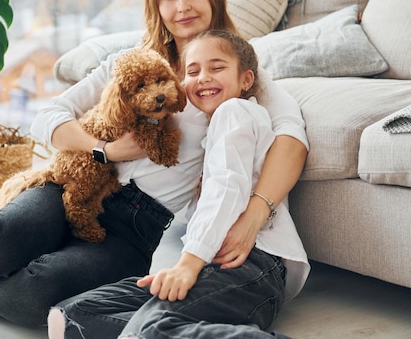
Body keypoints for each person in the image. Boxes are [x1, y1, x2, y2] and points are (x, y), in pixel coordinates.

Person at [0, 0, 308, 327]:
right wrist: (105, 149)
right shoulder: (128, 63)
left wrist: (255, 214)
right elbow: (47, 118)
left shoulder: (232, 75)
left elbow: (292, 141)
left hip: (136, 225)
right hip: (75, 184)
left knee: (39, 292)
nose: (182, 6)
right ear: (157, 7)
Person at [47, 30, 309, 339]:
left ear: (246, 79)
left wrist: (188, 264)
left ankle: (151, 330)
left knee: (149, 328)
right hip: (210, 263)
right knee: (70, 316)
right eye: (193, 71)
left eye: (217, 67)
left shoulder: (236, 112)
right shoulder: (204, 133)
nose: (203, 78)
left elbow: (227, 188)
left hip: (253, 263)